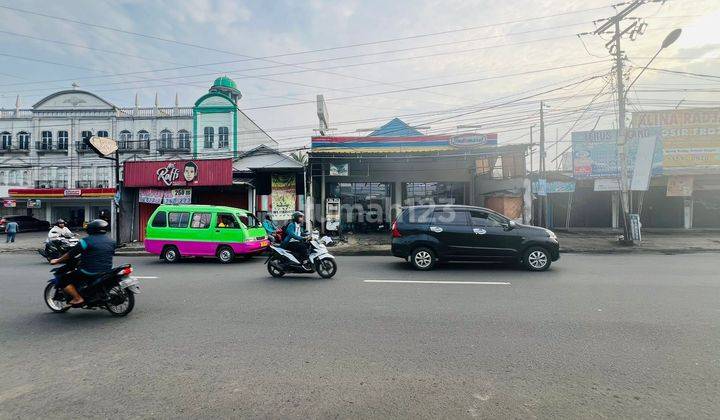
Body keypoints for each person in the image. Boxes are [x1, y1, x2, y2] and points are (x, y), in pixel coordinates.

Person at [50, 219, 116, 307]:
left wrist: (57, 260)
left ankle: (78, 298)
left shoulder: (85, 241)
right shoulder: (112, 241)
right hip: (107, 269)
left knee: (63, 279)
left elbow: (70, 254)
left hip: (89, 271)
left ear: (91, 229)